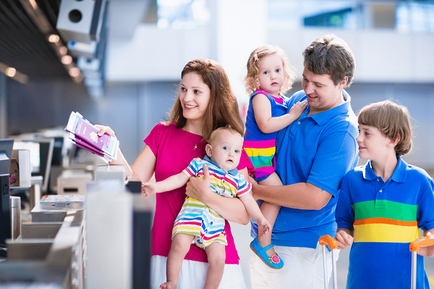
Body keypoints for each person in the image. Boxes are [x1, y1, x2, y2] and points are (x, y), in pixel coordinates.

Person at [96, 59, 250, 289]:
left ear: (214, 96)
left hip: (217, 265)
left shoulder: (230, 145)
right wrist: (111, 149)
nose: (187, 98)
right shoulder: (162, 133)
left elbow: (244, 214)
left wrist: (206, 195)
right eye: (184, 89)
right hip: (167, 257)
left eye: (197, 91)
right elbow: (135, 182)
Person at [238, 34, 360, 289]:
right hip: (266, 242)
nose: (308, 89)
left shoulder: (341, 132)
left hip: (305, 247)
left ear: (342, 82)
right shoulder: (296, 103)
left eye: (318, 84)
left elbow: (315, 197)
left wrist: (256, 190)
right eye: (305, 79)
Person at [141, 127, 271, 289]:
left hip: (215, 228)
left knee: (218, 260)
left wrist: (260, 220)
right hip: (190, 218)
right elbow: (179, 179)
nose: (231, 154)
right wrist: (156, 187)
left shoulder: (238, 180)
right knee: (178, 245)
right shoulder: (200, 165)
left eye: (237, 151)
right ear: (209, 150)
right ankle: (172, 281)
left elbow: (249, 202)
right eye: (225, 148)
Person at [335, 100, 434, 289]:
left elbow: (432, 225)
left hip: (409, 282)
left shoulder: (419, 180)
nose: (358, 138)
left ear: (393, 139)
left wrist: (429, 240)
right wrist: (342, 236)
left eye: (367, 133)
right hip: (361, 283)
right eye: (359, 131)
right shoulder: (351, 180)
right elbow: (344, 225)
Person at [241, 44, 306, 269]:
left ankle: (262, 236)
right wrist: (292, 114)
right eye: (265, 72)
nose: (273, 76)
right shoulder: (260, 98)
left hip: (265, 158)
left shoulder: (279, 98)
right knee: (277, 194)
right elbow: (266, 125)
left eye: (277, 70)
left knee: (274, 195)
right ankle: (263, 241)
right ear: (256, 78)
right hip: (256, 158)